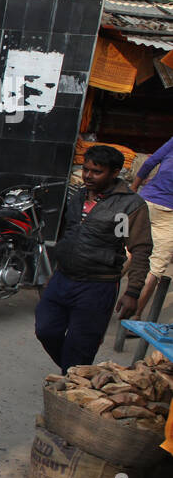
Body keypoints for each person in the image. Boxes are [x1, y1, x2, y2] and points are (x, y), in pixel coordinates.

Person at [35, 144, 151, 371]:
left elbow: (140, 250)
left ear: (115, 172)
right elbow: (68, 236)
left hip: (97, 286)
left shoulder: (129, 205)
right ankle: (78, 374)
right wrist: (54, 272)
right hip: (63, 279)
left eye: (96, 172)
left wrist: (133, 292)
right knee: (46, 329)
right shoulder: (77, 197)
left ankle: (72, 383)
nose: (88, 176)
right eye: (86, 169)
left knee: (81, 345)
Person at [131, 136, 173, 317]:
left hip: (145, 201)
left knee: (126, 252)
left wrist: (133, 189)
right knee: (155, 267)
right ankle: (133, 318)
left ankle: (101, 307)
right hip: (169, 213)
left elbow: (152, 161)